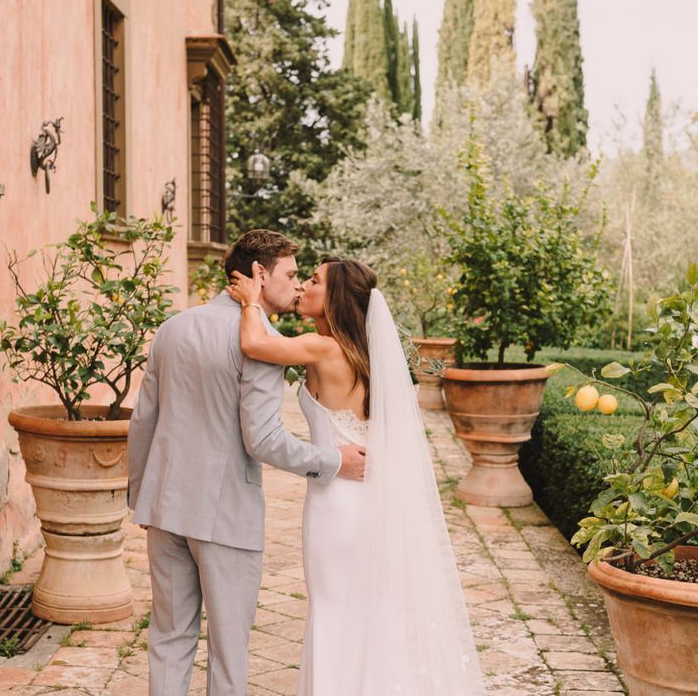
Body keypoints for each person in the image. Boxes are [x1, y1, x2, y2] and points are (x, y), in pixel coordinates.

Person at [226, 257, 485, 695]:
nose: (304, 286)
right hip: (366, 498)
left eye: (314, 280)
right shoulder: (358, 353)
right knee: (365, 606)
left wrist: (251, 300)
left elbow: (253, 344)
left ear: (336, 299)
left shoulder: (324, 348)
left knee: (332, 606)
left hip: (338, 502)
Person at [127, 230, 366, 696]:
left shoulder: (174, 326)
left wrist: (141, 494)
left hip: (163, 507)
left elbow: (144, 419)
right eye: (291, 275)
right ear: (259, 274)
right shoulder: (261, 342)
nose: (297, 285)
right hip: (225, 514)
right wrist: (333, 461)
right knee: (228, 649)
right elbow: (264, 440)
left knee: (169, 637)